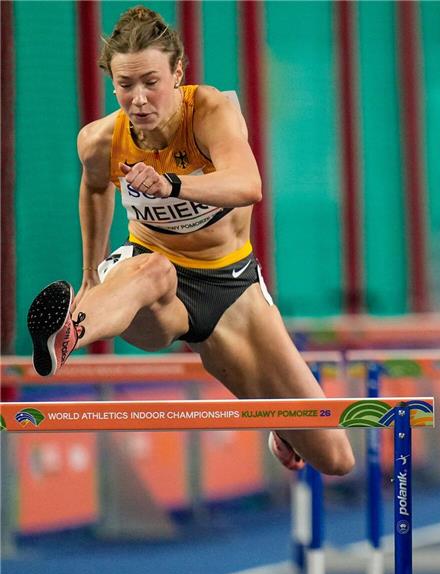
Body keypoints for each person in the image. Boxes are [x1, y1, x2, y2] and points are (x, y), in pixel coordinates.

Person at [26, 6, 354, 476]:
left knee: (334, 458)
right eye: (125, 85)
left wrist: (172, 185)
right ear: (112, 83)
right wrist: (89, 275)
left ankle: (282, 426)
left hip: (231, 287)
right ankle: (68, 334)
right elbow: (95, 186)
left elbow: (248, 185)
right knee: (150, 269)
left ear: (177, 73)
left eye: (151, 82)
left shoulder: (211, 112)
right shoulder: (100, 140)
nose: (138, 99)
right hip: (154, 283)